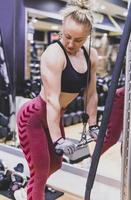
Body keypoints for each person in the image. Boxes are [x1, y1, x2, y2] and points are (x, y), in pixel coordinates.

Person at [16, 0, 99, 199]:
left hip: (56, 115)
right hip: (34, 117)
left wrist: (94, 124)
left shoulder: (91, 55)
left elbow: (92, 93)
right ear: (61, 28)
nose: (70, 44)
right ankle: (31, 189)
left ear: (88, 37)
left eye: (78, 40)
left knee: (56, 164)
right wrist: (58, 139)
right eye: (67, 36)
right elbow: (52, 100)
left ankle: (26, 186)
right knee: (42, 171)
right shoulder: (53, 54)